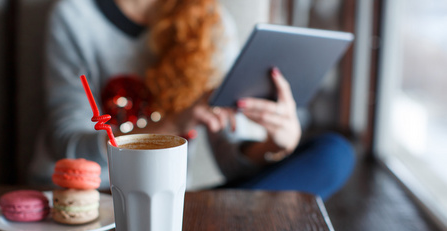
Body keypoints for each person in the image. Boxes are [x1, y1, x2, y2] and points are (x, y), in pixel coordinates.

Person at [29, 0, 355, 200]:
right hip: (95, 196)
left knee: (333, 154)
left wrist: (275, 144)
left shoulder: (209, 23)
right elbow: (67, 144)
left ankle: (219, 228)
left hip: (174, 203)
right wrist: (173, 123)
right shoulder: (75, 16)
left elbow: (230, 162)